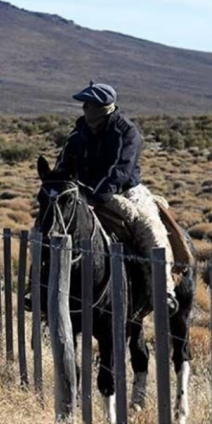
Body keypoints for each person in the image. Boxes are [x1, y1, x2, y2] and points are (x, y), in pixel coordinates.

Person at [54, 82, 177, 314]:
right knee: (45, 225)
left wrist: (93, 197)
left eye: (88, 104)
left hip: (123, 191)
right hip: (82, 192)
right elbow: (63, 164)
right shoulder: (78, 133)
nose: (84, 108)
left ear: (103, 107)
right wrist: (60, 189)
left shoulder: (126, 132)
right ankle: (38, 285)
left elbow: (119, 171)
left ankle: (164, 291)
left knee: (149, 228)